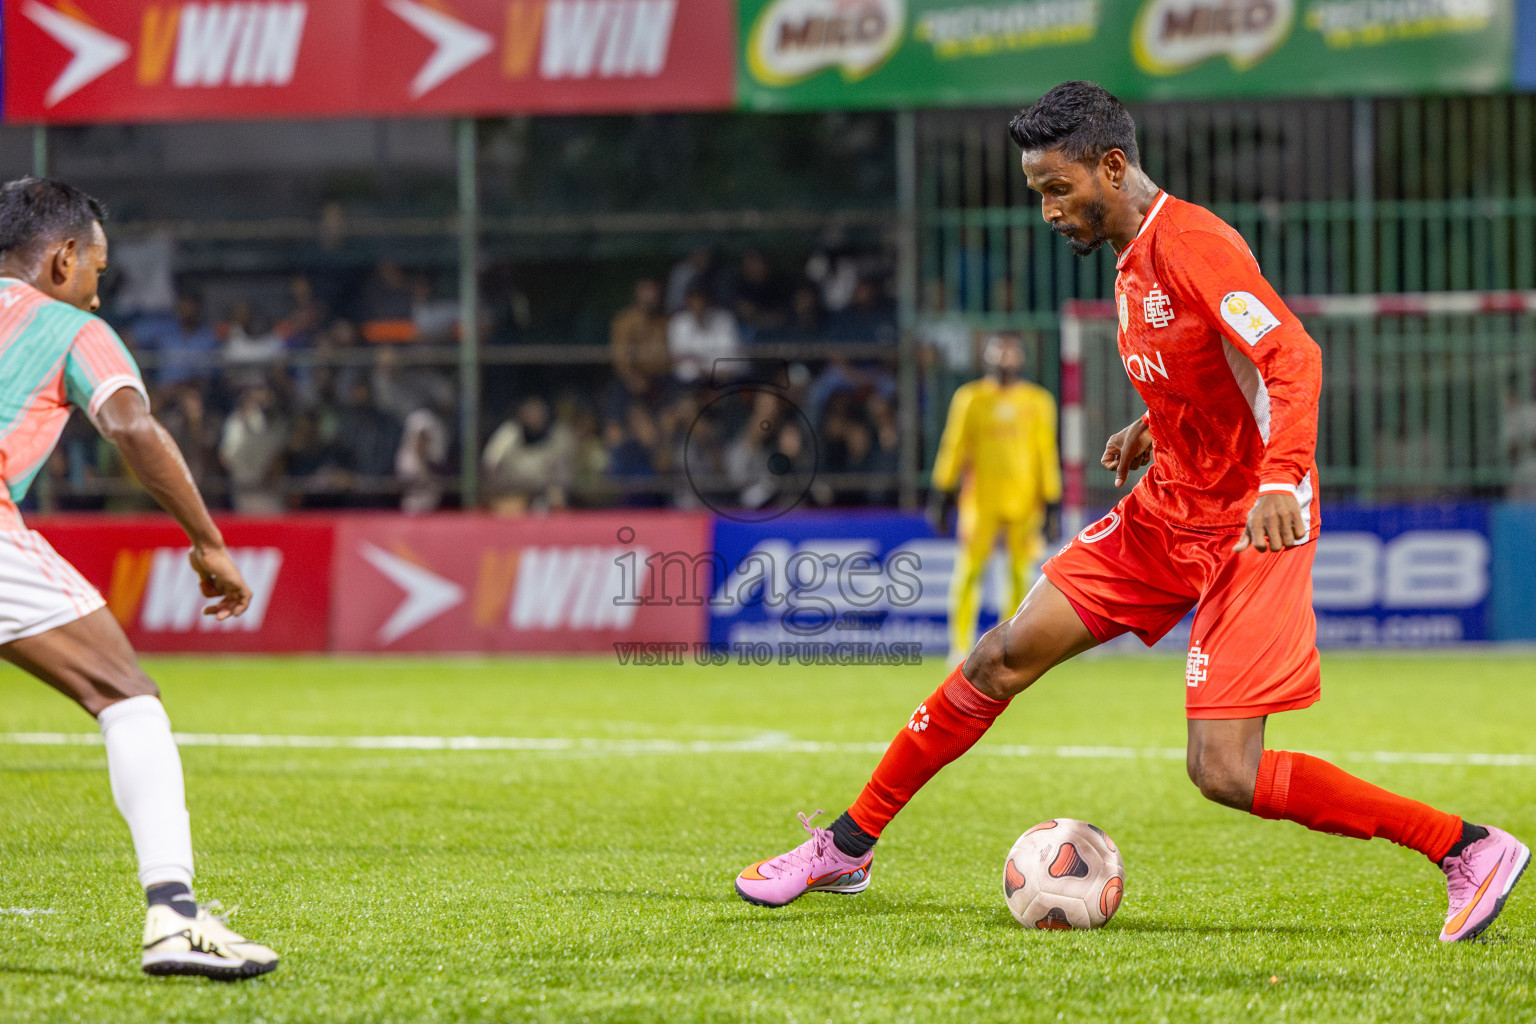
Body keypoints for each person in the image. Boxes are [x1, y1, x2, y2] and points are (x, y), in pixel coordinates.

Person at [733, 82, 1528, 943]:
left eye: (1057, 188)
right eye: (1038, 192)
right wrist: (1159, 422)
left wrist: (1278, 479)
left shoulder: (1192, 244)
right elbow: (1208, 362)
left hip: (1249, 525)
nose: (1047, 210)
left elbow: (1293, 357)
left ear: (1112, 166)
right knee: (1001, 657)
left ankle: (1466, 846)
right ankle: (847, 846)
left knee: (1224, 772)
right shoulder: (1129, 254)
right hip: (1168, 508)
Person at [0, 177, 278, 976]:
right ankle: (174, 917)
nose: (96, 292)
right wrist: (208, 541)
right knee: (127, 697)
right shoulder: (70, 327)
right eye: (96, 270)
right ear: (63, 259)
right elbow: (129, 424)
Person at [928, 333, 1062, 662]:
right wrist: (942, 490)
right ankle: (959, 647)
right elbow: (954, 445)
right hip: (980, 500)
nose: (1005, 358)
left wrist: (1052, 500)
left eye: (1010, 352)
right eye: (999, 351)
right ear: (987, 356)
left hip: (1024, 501)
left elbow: (1046, 452)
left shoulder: (1038, 401)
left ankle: (1008, 646)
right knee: (969, 571)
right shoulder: (970, 398)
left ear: (1022, 357)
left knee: (1019, 575)